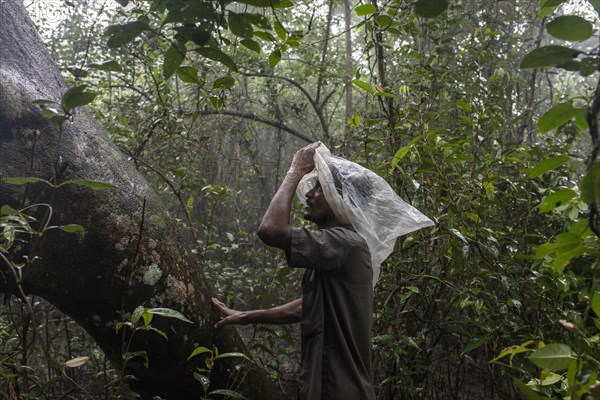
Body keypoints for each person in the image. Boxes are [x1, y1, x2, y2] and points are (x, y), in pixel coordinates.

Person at [212, 142, 434, 400]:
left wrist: (295, 171)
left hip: (338, 389)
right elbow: (309, 305)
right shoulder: (343, 245)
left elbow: (270, 229)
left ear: (340, 201)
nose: (309, 194)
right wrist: (246, 316)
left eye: (319, 188)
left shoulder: (345, 242)